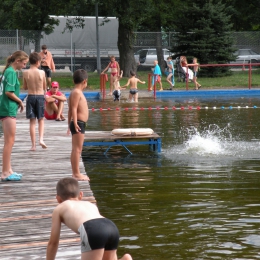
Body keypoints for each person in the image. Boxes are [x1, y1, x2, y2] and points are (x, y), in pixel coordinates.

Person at [46, 177, 132, 260]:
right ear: (80, 195)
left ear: (58, 199)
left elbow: (53, 242)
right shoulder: (90, 204)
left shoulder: (60, 208)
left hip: (92, 228)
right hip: (111, 226)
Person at [0, 51, 29, 181]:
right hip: (8, 109)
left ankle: (9, 169)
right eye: (24, 63)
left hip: (5, 108)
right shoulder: (11, 72)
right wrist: (19, 101)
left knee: (9, 141)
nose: (24, 66)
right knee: (9, 142)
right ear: (17, 60)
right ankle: (5, 172)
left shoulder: (7, 71)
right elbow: (8, 92)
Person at [67, 69, 90, 181]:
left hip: (78, 123)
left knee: (76, 149)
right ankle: (76, 173)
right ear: (85, 81)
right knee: (77, 149)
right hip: (78, 123)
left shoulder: (76, 92)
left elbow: (70, 110)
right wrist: (75, 123)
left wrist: (69, 124)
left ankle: (75, 172)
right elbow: (74, 109)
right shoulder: (76, 92)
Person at [23, 52, 47, 151]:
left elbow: (24, 87)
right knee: (41, 120)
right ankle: (41, 139)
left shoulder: (25, 73)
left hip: (31, 97)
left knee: (32, 122)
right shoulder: (42, 72)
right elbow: (45, 87)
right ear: (37, 62)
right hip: (40, 97)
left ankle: (33, 145)